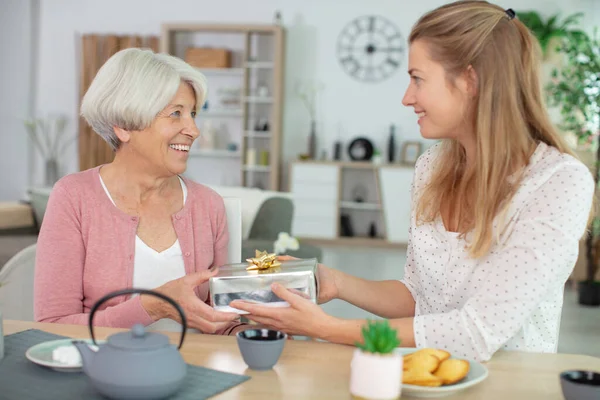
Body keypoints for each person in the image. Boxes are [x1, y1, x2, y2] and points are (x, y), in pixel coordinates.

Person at [230, 1, 596, 361]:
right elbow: (421, 298)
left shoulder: (558, 183)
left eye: (417, 79)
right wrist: (334, 281)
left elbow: (478, 332)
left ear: (470, 80)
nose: (407, 98)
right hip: (429, 379)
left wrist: (327, 328)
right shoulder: (431, 167)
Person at [34, 48, 246, 335]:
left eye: (193, 114)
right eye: (176, 114)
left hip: (197, 372)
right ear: (123, 125)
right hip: (102, 370)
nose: (194, 130)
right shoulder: (74, 198)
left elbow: (225, 322)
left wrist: (259, 331)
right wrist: (153, 306)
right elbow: (52, 325)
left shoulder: (209, 205)